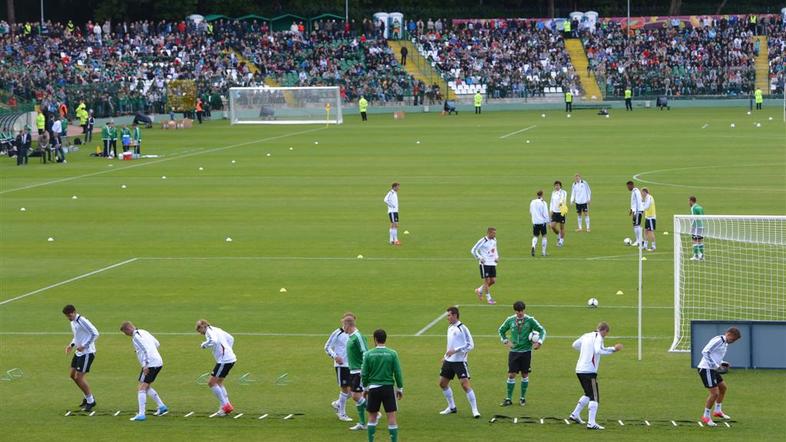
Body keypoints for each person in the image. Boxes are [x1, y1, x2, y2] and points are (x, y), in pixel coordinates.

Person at [568, 322, 623, 430]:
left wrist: (585, 351)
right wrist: (613, 349)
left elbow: (574, 345)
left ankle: (575, 414)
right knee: (595, 397)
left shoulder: (586, 335)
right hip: (589, 371)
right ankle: (591, 423)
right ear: (604, 331)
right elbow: (599, 350)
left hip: (579, 369)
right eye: (606, 333)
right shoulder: (598, 337)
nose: (606, 336)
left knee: (588, 394)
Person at [498, 300, 545, 407]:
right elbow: (501, 330)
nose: (520, 313)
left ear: (524, 310)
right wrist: (506, 341)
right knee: (511, 375)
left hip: (526, 352)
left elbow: (542, 330)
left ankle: (522, 398)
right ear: (515, 311)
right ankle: (508, 399)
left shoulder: (530, 320)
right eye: (518, 311)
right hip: (514, 352)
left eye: (521, 311)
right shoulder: (510, 320)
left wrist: (539, 342)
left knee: (525, 374)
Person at [361, 329, 404, 442]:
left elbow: (364, 373)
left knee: (372, 417)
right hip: (388, 389)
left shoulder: (368, 354)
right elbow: (398, 372)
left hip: (373, 389)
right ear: (385, 339)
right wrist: (400, 388)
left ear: (375, 339)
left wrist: (365, 388)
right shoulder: (392, 353)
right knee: (391, 417)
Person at [120, 321, 168, 421]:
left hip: (151, 364)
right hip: (157, 361)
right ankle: (162, 406)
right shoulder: (143, 331)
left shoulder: (135, 337)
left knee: (142, 388)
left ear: (128, 329)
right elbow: (157, 344)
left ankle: (141, 414)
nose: (126, 335)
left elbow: (145, 349)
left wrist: (145, 365)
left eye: (125, 333)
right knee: (144, 385)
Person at [438, 306, 480, 418]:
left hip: (459, 362)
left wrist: (455, 351)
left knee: (465, 385)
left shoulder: (463, 328)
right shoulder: (450, 328)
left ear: (455, 315)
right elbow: (450, 346)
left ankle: (475, 410)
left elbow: (470, 345)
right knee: (442, 384)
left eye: (449, 315)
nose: (447, 317)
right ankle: (452, 407)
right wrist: (445, 356)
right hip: (449, 361)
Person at [697, 327, 741, 426]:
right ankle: (706, 416)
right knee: (714, 394)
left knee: (723, 388)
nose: (732, 342)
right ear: (728, 334)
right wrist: (715, 366)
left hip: (713, 368)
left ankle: (717, 411)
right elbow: (705, 352)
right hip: (706, 369)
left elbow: (715, 356)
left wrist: (723, 363)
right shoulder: (719, 340)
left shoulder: (725, 343)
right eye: (732, 339)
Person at [195, 320, 237, 416]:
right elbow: (231, 338)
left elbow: (213, 341)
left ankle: (225, 406)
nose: (200, 333)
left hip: (224, 360)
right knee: (219, 382)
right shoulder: (217, 329)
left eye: (199, 330)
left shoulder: (209, 332)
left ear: (203, 326)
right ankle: (226, 406)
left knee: (211, 383)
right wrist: (228, 350)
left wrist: (204, 345)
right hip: (229, 359)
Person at [63, 304, 99, 412]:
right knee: (72, 375)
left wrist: (85, 345)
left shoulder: (82, 321)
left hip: (87, 352)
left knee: (79, 377)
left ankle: (90, 401)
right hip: (79, 352)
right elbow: (77, 336)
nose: (68, 318)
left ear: (74, 312)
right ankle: (87, 397)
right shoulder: (72, 322)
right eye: (67, 316)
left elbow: (95, 333)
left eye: (69, 315)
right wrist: (71, 345)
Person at [324, 315, 354, 422]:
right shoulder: (337, 333)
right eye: (348, 323)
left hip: (352, 365)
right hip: (341, 366)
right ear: (344, 323)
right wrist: (335, 356)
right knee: (345, 389)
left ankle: (337, 404)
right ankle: (342, 414)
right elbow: (327, 347)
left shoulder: (354, 333)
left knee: (354, 390)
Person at [345, 313, 369, 431]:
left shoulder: (358, 336)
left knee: (355, 396)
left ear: (348, 325)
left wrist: (364, 371)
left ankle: (372, 412)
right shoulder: (351, 337)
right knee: (355, 396)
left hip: (359, 371)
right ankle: (362, 423)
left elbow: (365, 353)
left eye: (343, 325)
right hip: (353, 371)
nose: (343, 328)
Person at [470, 227, 498, 305]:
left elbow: (494, 249)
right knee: (487, 281)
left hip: (492, 263)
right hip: (484, 264)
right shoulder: (483, 241)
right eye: (494, 233)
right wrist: (480, 257)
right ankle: (489, 298)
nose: (495, 235)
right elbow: (473, 250)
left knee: (493, 281)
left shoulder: (494, 240)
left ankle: (479, 290)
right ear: (489, 233)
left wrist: (496, 257)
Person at [529, 190, 549, 257]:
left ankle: (533, 246)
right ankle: (543, 252)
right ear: (542, 195)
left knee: (535, 236)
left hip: (535, 222)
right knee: (544, 236)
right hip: (542, 222)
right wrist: (548, 221)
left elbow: (530, 211)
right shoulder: (543, 203)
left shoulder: (532, 202)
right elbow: (545, 213)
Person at [549, 181, 568, 247]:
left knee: (561, 227)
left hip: (562, 211)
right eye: (555, 185)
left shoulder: (563, 192)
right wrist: (550, 210)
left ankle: (561, 241)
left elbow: (563, 198)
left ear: (560, 186)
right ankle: (558, 235)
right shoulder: (553, 193)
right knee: (552, 226)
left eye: (558, 185)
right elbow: (551, 202)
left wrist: (561, 203)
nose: (556, 187)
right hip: (554, 212)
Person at [627, 181, 643, 247]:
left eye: (628, 186)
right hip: (636, 210)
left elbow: (639, 201)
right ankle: (640, 240)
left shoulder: (636, 191)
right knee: (636, 225)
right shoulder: (634, 191)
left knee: (636, 225)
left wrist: (635, 212)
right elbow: (634, 202)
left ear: (631, 185)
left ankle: (638, 241)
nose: (627, 188)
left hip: (637, 211)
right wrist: (631, 210)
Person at [689, 196, 705, 260]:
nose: (688, 203)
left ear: (691, 201)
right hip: (702, 225)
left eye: (689, 201)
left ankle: (696, 255)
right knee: (700, 240)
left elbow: (693, 218)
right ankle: (702, 256)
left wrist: (692, 226)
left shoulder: (693, 208)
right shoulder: (700, 207)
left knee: (694, 240)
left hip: (696, 226)